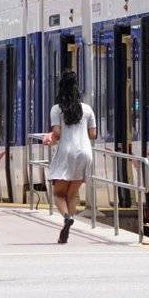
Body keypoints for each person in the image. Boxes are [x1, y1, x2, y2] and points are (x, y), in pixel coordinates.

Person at [45, 70, 98, 244]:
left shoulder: (56, 109)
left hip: (66, 152)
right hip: (85, 153)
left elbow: (57, 133)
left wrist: (49, 138)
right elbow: (93, 134)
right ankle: (68, 225)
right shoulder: (87, 109)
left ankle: (67, 217)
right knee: (72, 194)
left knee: (58, 193)